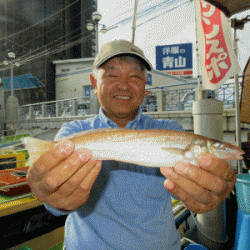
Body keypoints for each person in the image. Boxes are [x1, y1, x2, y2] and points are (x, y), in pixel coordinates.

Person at [27, 40, 236, 250]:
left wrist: (206, 192)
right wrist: (55, 198)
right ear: (93, 82)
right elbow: (54, 206)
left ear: (145, 84)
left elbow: (187, 192)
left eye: (134, 76)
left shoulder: (170, 129)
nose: (124, 84)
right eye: (112, 75)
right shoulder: (72, 133)